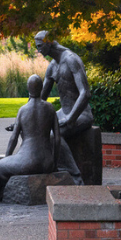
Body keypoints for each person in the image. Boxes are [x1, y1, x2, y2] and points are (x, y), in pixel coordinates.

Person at [0, 74, 60, 205]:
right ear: (42, 88)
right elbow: (57, 139)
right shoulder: (50, 108)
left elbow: (13, 138)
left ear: (28, 89)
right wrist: (54, 163)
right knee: (1, 168)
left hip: (28, 161)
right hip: (46, 162)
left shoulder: (23, 110)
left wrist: (7, 157)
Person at [35, 30, 92, 184]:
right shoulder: (53, 66)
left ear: (49, 43)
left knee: (53, 135)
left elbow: (85, 93)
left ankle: (75, 177)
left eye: (40, 46)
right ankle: (45, 167)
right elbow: (39, 98)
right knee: (36, 130)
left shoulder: (72, 59)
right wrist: (22, 118)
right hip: (63, 113)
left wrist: (70, 119)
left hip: (81, 115)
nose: (38, 50)